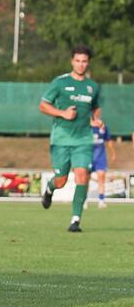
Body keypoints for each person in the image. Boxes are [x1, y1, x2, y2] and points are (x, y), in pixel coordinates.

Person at [39, 45, 100, 233]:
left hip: (83, 139)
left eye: (84, 61)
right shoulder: (60, 83)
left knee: (82, 175)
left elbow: (95, 108)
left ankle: (75, 220)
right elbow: (43, 105)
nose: (81, 64)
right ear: (72, 61)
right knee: (61, 180)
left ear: (88, 63)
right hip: (62, 139)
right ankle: (50, 189)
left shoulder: (92, 87)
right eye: (78, 61)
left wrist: (96, 120)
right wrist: (62, 113)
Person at [90, 118, 116, 209]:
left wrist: (113, 153)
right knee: (84, 179)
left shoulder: (104, 127)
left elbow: (109, 140)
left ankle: (101, 200)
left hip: (100, 156)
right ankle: (83, 200)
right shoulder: (85, 127)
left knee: (101, 177)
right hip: (88, 156)